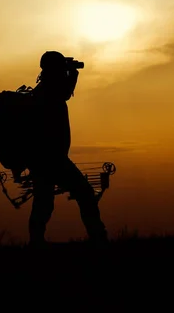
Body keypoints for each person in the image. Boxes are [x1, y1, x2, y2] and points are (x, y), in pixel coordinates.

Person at [26, 51, 108, 247]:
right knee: (85, 194)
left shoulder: (41, 90)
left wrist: (71, 72)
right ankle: (98, 239)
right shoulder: (49, 91)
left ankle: (36, 242)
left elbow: (64, 93)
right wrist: (73, 73)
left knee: (43, 203)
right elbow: (65, 93)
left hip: (42, 159)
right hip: (52, 158)